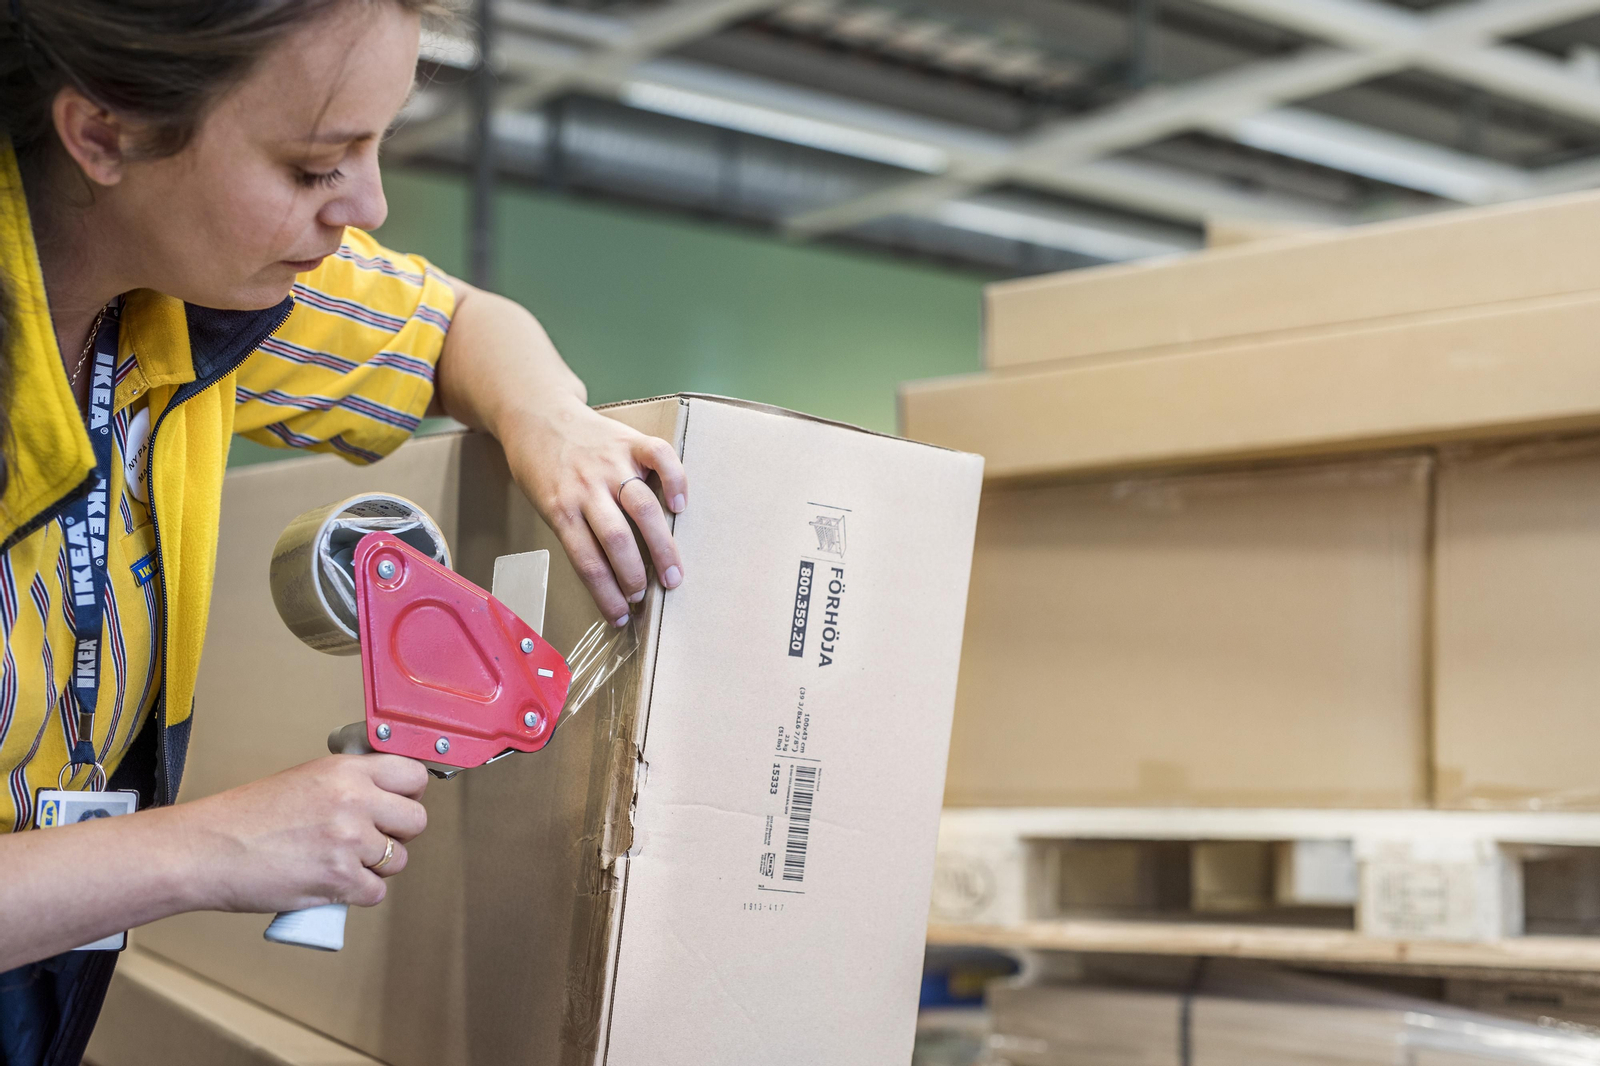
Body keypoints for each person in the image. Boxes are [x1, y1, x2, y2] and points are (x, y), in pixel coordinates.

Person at [0, 1, 689, 1060]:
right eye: (314, 165)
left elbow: (463, 324)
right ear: (105, 134)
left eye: (377, 146)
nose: (364, 205)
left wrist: (551, 423)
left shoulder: (188, 298)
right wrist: (205, 849)